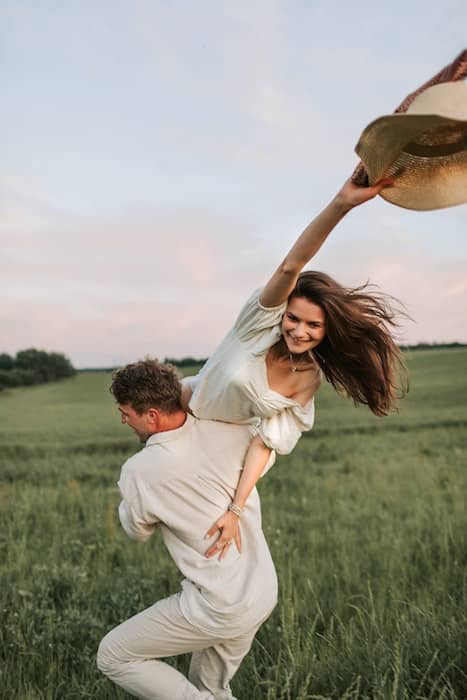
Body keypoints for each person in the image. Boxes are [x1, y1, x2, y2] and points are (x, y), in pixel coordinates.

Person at [181, 177, 406, 558]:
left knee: (215, 553)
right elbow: (291, 266)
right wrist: (342, 203)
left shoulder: (308, 378)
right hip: (182, 419)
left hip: (222, 456)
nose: (299, 331)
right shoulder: (259, 323)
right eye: (294, 318)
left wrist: (236, 509)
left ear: (327, 329)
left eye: (313, 325)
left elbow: (264, 442)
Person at [97, 358, 277, 700]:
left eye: (125, 412)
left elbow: (137, 531)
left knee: (113, 655)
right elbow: (266, 457)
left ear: (151, 415)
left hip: (219, 605)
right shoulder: (226, 428)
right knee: (211, 688)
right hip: (261, 590)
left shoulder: (139, 471)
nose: (122, 419)